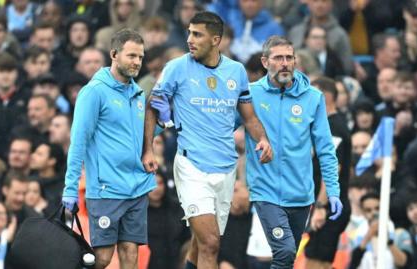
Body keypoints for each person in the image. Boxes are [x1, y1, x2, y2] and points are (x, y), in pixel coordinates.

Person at [142, 11, 272, 269]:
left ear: (216, 39)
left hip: (225, 169)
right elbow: (153, 107)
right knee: (211, 243)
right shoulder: (177, 68)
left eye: (197, 34)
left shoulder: (236, 72)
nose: (190, 39)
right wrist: (148, 150)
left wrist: (263, 140)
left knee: (201, 242)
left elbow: (249, 117)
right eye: (189, 32)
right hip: (192, 166)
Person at [61, 29, 156, 269]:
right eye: (131, 56)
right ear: (114, 54)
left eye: (141, 57)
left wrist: (160, 126)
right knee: (101, 259)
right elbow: (78, 142)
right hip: (106, 190)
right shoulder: (94, 92)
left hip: (136, 187)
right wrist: (70, 189)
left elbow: (132, 136)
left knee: (130, 255)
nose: (137, 62)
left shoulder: (138, 93)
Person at [244, 36, 342, 268]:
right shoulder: (249, 95)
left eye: (289, 57)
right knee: (285, 251)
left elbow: (326, 149)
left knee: (288, 259)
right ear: (265, 62)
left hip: (301, 194)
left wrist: (334, 191)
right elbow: (223, 127)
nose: (285, 63)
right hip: (266, 191)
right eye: (279, 58)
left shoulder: (313, 98)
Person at [305, 77, 351, 269]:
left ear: (325, 96)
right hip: (325, 204)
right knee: (314, 259)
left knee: (318, 262)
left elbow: (332, 169)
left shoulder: (334, 127)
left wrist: (322, 206)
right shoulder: (326, 125)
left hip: (330, 206)